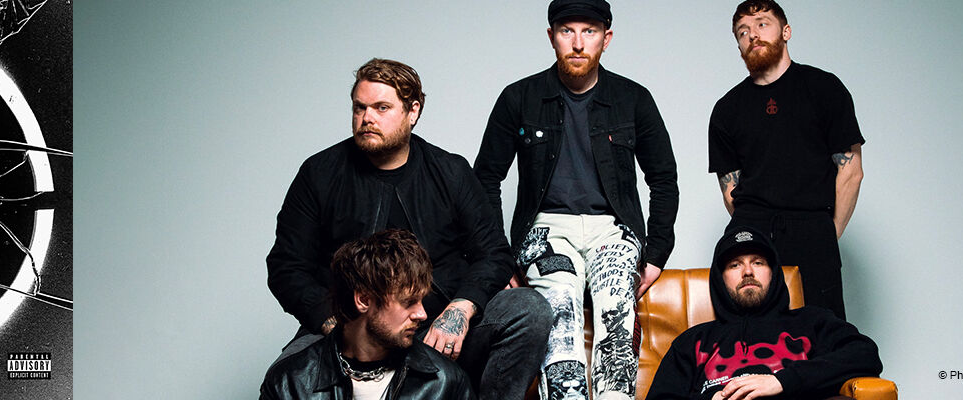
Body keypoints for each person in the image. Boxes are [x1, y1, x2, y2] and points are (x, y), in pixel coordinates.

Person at [267, 58, 550, 398]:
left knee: (528, 309)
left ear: (413, 111)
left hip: (435, 326)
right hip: (350, 329)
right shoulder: (319, 173)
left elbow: (493, 253)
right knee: (287, 375)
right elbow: (286, 266)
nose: (367, 118)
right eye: (359, 107)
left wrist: (461, 308)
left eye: (381, 108)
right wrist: (331, 322)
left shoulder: (451, 172)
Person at [473, 0, 678, 398]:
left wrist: (656, 254)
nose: (578, 43)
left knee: (616, 315)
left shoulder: (634, 98)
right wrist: (500, 258)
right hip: (546, 230)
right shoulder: (519, 97)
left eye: (590, 31)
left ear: (606, 38)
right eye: (567, 31)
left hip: (614, 231)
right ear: (552, 37)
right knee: (560, 314)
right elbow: (485, 179)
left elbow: (664, 179)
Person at [709, 0, 865, 320]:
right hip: (752, 232)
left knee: (823, 330)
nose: (753, 34)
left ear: (786, 31)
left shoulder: (824, 89)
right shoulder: (727, 109)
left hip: (812, 226)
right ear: (738, 45)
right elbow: (730, 189)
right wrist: (753, 235)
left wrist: (827, 234)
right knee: (745, 331)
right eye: (743, 31)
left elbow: (851, 173)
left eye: (762, 24)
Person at [644, 226, 882, 400]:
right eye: (735, 265)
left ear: (773, 272)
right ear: (720, 278)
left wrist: (782, 381)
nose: (748, 271)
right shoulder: (693, 341)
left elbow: (864, 354)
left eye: (758, 262)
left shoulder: (811, 322)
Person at [262, 230, 474, 399]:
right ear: (363, 300)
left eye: (421, 301)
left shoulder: (445, 382)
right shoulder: (290, 383)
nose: (422, 314)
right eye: (408, 302)